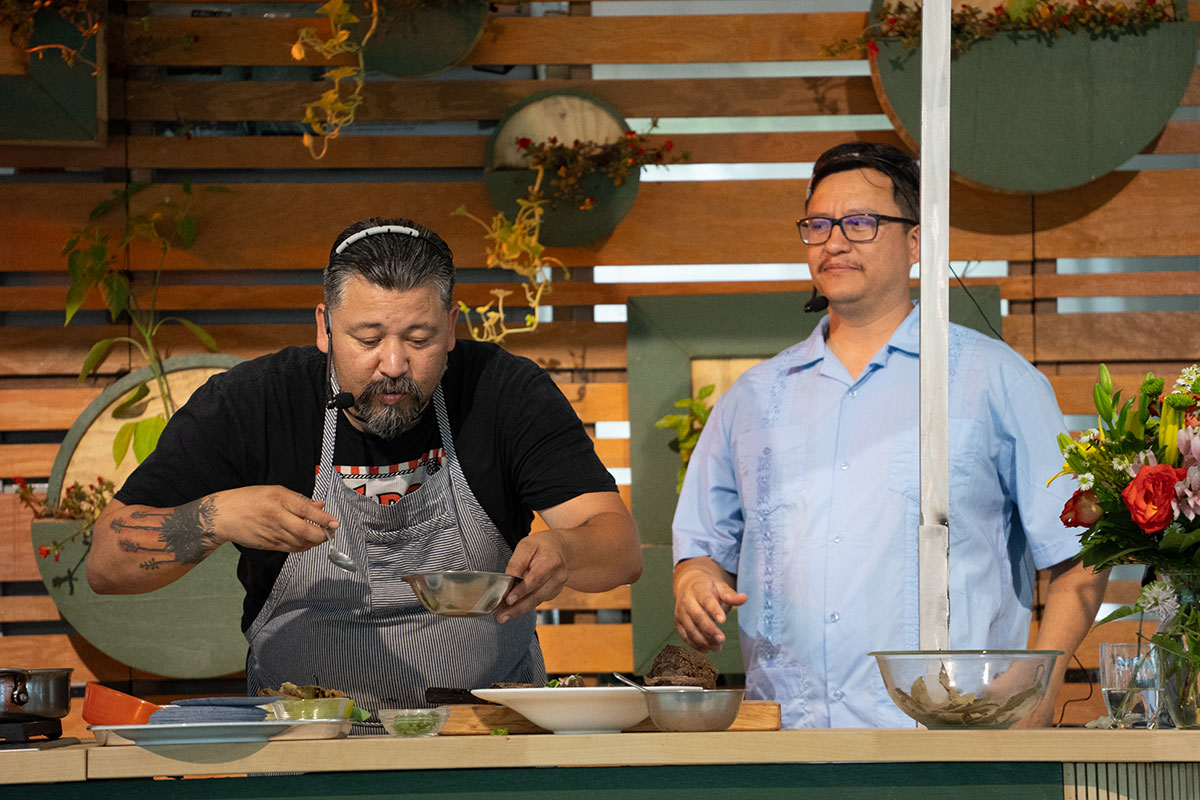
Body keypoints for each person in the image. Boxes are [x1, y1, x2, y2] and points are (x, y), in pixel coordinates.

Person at [88, 217, 642, 710]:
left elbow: (619, 549)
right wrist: (215, 517)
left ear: (451, 327)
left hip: (480, 738)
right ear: (324, 326)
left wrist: (564, 552)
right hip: (303, 746)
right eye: (368, 338)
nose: (394, 364)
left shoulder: (503, 393)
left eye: (419, 338)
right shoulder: (252, 403)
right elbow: (106, 562)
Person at [670, 142, 1107, 729]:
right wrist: (695, 579)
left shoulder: (994, 378)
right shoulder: (751, 399)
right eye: (818, 224)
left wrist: (1038, 692)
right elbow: (702, 549)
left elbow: (1083, 552)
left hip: (954, 735)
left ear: (915, 242)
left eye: (861, 222)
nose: (835, 240)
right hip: (784, 738)